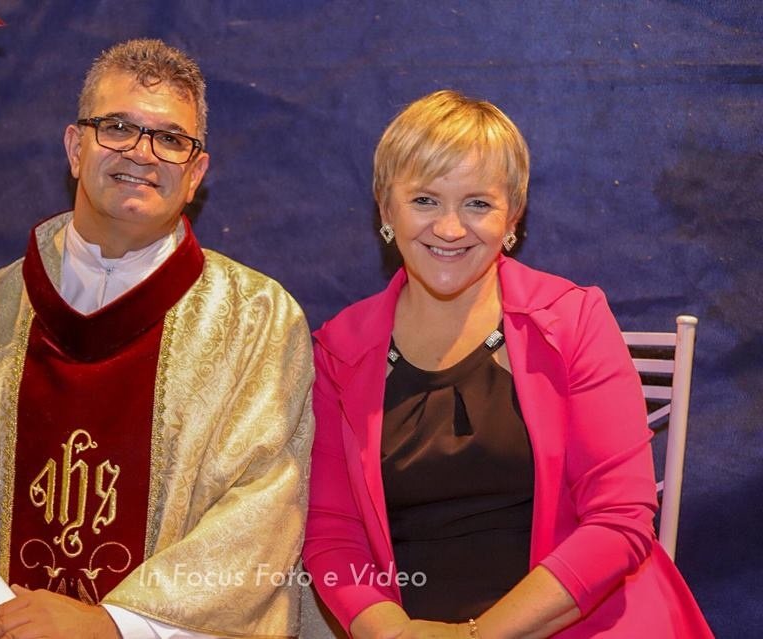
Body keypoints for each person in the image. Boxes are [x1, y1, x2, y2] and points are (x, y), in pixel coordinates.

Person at [0, 39, 314, 639]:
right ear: (76, 148)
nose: (142, 153)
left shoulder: (257, 322)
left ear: (196, 172)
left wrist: (111, 626)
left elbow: (260, 515)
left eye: (171, 139)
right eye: (117, 127)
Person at [301, 90, 713, 638]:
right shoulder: (336, 351)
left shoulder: (574, 320)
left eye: (477, 203)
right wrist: (390, 631)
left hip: (584, 624)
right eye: (425, 200)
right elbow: (333, 532)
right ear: (385, 206)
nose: (450, 229)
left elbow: (619, 521)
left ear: (512, 214)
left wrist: (478, 636)